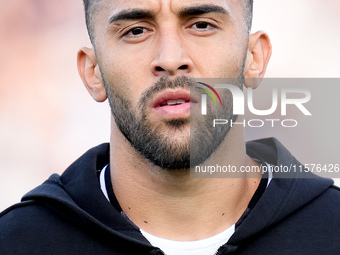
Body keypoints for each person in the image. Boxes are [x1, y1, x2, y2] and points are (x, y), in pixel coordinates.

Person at [1, 0, 339, 254]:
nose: (171, 57)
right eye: (136, 30)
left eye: (202, 25)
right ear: (93, 72)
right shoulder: (17, 242)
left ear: (254, 58)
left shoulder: (331, 230)